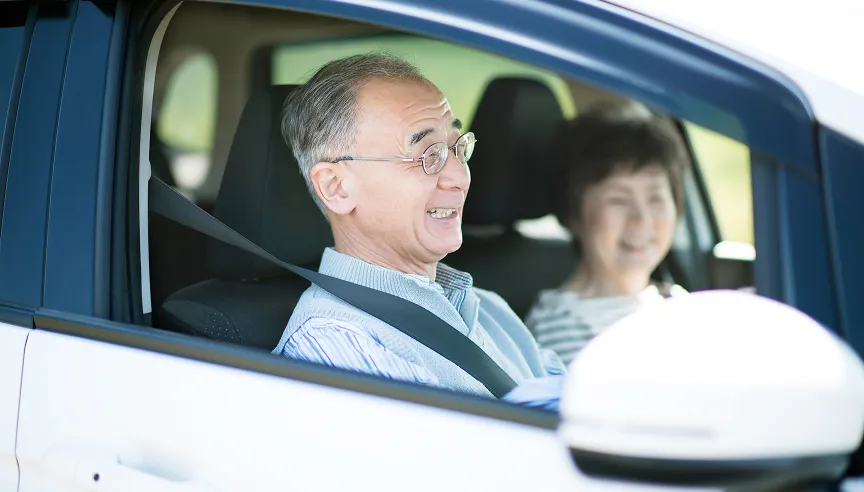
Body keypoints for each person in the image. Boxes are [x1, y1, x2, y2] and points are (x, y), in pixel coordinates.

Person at [272, 53, 565, 401]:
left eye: (457, 147)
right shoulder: (337, 343)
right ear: (336, 187)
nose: (460, 176)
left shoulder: (488, 308)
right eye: (428, 156)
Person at [525, 101, 690, 366]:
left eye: (656, 198)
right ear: (572, 214)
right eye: (618, 200)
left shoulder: (677, 302)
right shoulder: (557, 331)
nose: (641, 220)